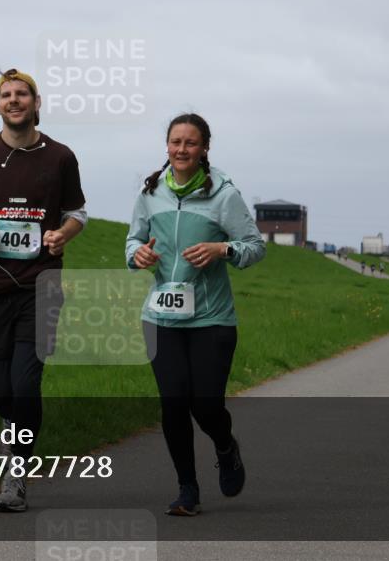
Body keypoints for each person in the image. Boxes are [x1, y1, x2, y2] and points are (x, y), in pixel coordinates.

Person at [0, 68, 86, 512]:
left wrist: (63, 234)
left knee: (25, 385)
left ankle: (16, 476)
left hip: (40, 287)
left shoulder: (61, 157)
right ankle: (8, 429)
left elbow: (77, 213)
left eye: (22, 94)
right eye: (6, 95)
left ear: (36, 102)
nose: (14, 100)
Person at [126, 113, 265, 516]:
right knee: (172, 404)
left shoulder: (223, 196)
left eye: (190, 143)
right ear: (166, 146)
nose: (181, 149)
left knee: (205, 405)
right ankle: (187, 488)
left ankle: (225, 446)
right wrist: (138, 254)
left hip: (212, 319)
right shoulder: (150, 193)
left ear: (205, 148)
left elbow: (255, 247)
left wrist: (222, 250)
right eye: (175, 142)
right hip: (161, 318)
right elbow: (132, 240)